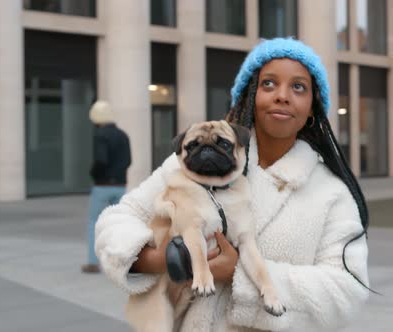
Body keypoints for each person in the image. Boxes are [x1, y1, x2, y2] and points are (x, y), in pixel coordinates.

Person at [95, 38, 370, 330]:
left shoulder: (332, 193)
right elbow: (116, 222)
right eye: (268, 84)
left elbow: (347, 292)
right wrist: (164, 259)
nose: (282, 96)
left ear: (312, 107)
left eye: (298, 87)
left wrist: (240, 276)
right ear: (248, 96)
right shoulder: (192, 164)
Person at [82, 100, 131, 274]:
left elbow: (101, 160)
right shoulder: (123, 135)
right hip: (120, 185)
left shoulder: (101, 135)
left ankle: (93, 262)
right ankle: (121, 261)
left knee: (94, 222)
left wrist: (94, 173)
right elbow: (128, 161)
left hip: (102, 185)